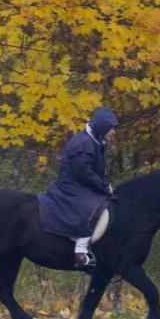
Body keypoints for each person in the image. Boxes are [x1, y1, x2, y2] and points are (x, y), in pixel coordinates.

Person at [38, 107, 118, 268]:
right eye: (111, 128)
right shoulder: (83, 143)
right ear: (102, 127)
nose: (114, 132)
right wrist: (104, 187)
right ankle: (80, 253)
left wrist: (104, 187)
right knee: (92, 207)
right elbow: (83, 172)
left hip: (80, 183)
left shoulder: (95, 141)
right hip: (71, 186)